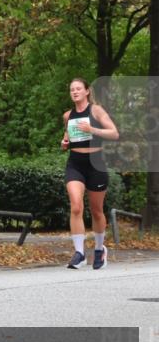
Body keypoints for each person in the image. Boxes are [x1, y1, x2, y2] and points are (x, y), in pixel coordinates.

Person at [61, 78, 119, 270]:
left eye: (78, 89)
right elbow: (67, 137)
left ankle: (99, 249)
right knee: (76, 206)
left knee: (96, 210)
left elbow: (114, 133)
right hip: (75, 164)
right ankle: (79, 253)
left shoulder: (96, 111)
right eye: (72, 90)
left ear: (87, 91)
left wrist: (92, 129)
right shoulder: (68, 115)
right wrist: (64, 143)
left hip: (96, 163)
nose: (75, 92)